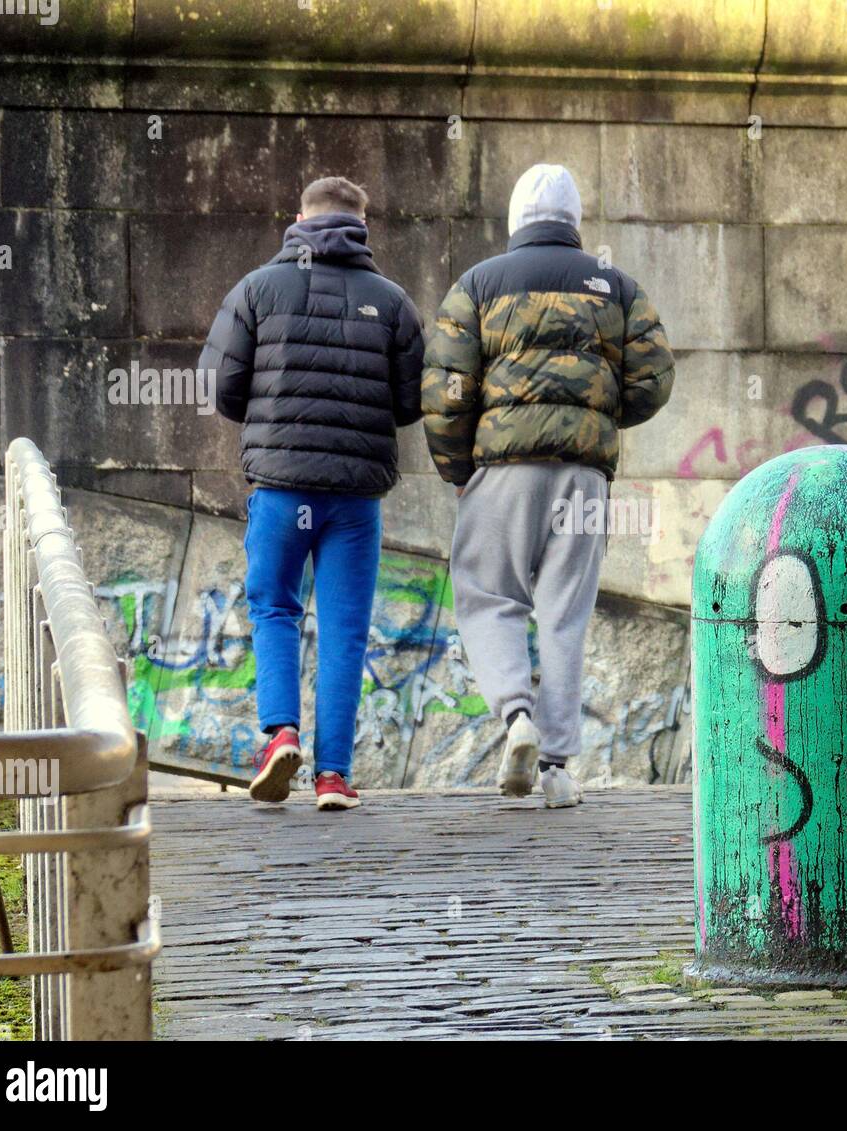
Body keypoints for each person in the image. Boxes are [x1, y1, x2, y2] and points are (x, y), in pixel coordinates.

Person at [421, 164, 675, 808]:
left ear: (515, 220)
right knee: (565, 613)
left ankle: (516, 718)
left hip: (502, 471)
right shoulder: (614, 286)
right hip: (583, 476)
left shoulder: (478, 284)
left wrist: (458, 470)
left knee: (487, 596)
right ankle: (558, 769)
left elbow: (447, 390)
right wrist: (597, 418)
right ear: (573, 219)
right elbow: (655, 377)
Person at [199, 176, 425, 811]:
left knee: (274, 607)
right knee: (346, 628)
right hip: (355, 498)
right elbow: (410, 404)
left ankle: (280, 736)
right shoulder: (393, 302)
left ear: (298, 219)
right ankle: (332, 777)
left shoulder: (256, 289)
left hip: (280, 487)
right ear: (363, 227)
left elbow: (219, 387)